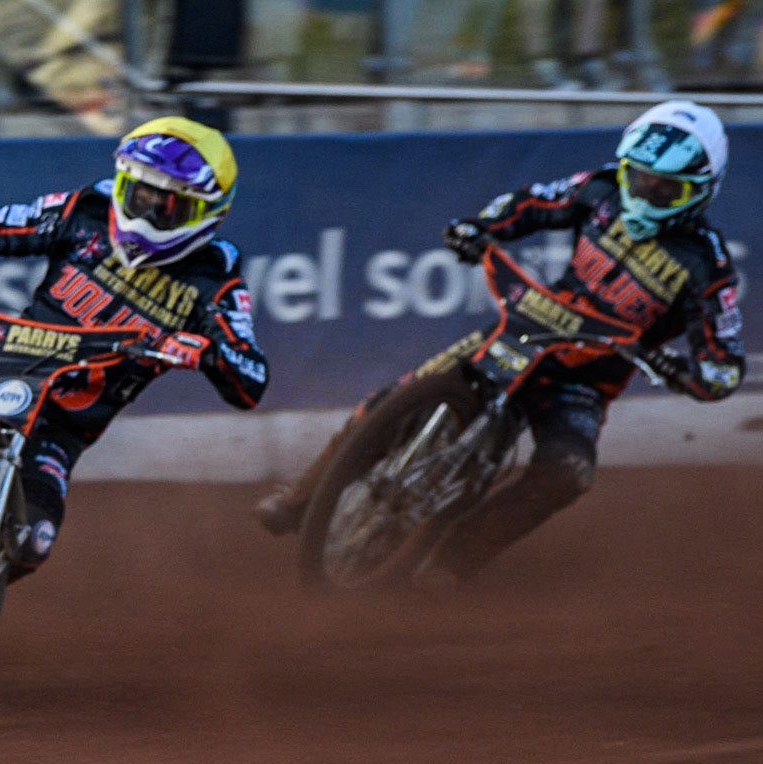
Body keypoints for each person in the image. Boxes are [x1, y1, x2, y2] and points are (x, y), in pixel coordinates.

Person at [257, 100, 746, 580]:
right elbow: (533, 202)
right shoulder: (600, 190)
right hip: (527, 326)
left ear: (702, 191)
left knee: (569, 472)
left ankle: (454, 560)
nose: (646, 192)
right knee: (395, 398)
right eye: (640, 177)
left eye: (665, 188)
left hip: (583, 381)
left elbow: (724, 365)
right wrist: (480, 227)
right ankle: (302, 498)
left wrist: (689, 373)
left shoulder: (708, 267)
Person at [0, 116, 268, 576]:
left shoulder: (216, 277)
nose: (146, 214)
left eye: (168, 206)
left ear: (208, 212)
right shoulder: (86, 210)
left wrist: (205, 352)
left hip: (60, 425)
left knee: (32, 542)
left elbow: (252, 377)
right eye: (140, 195)